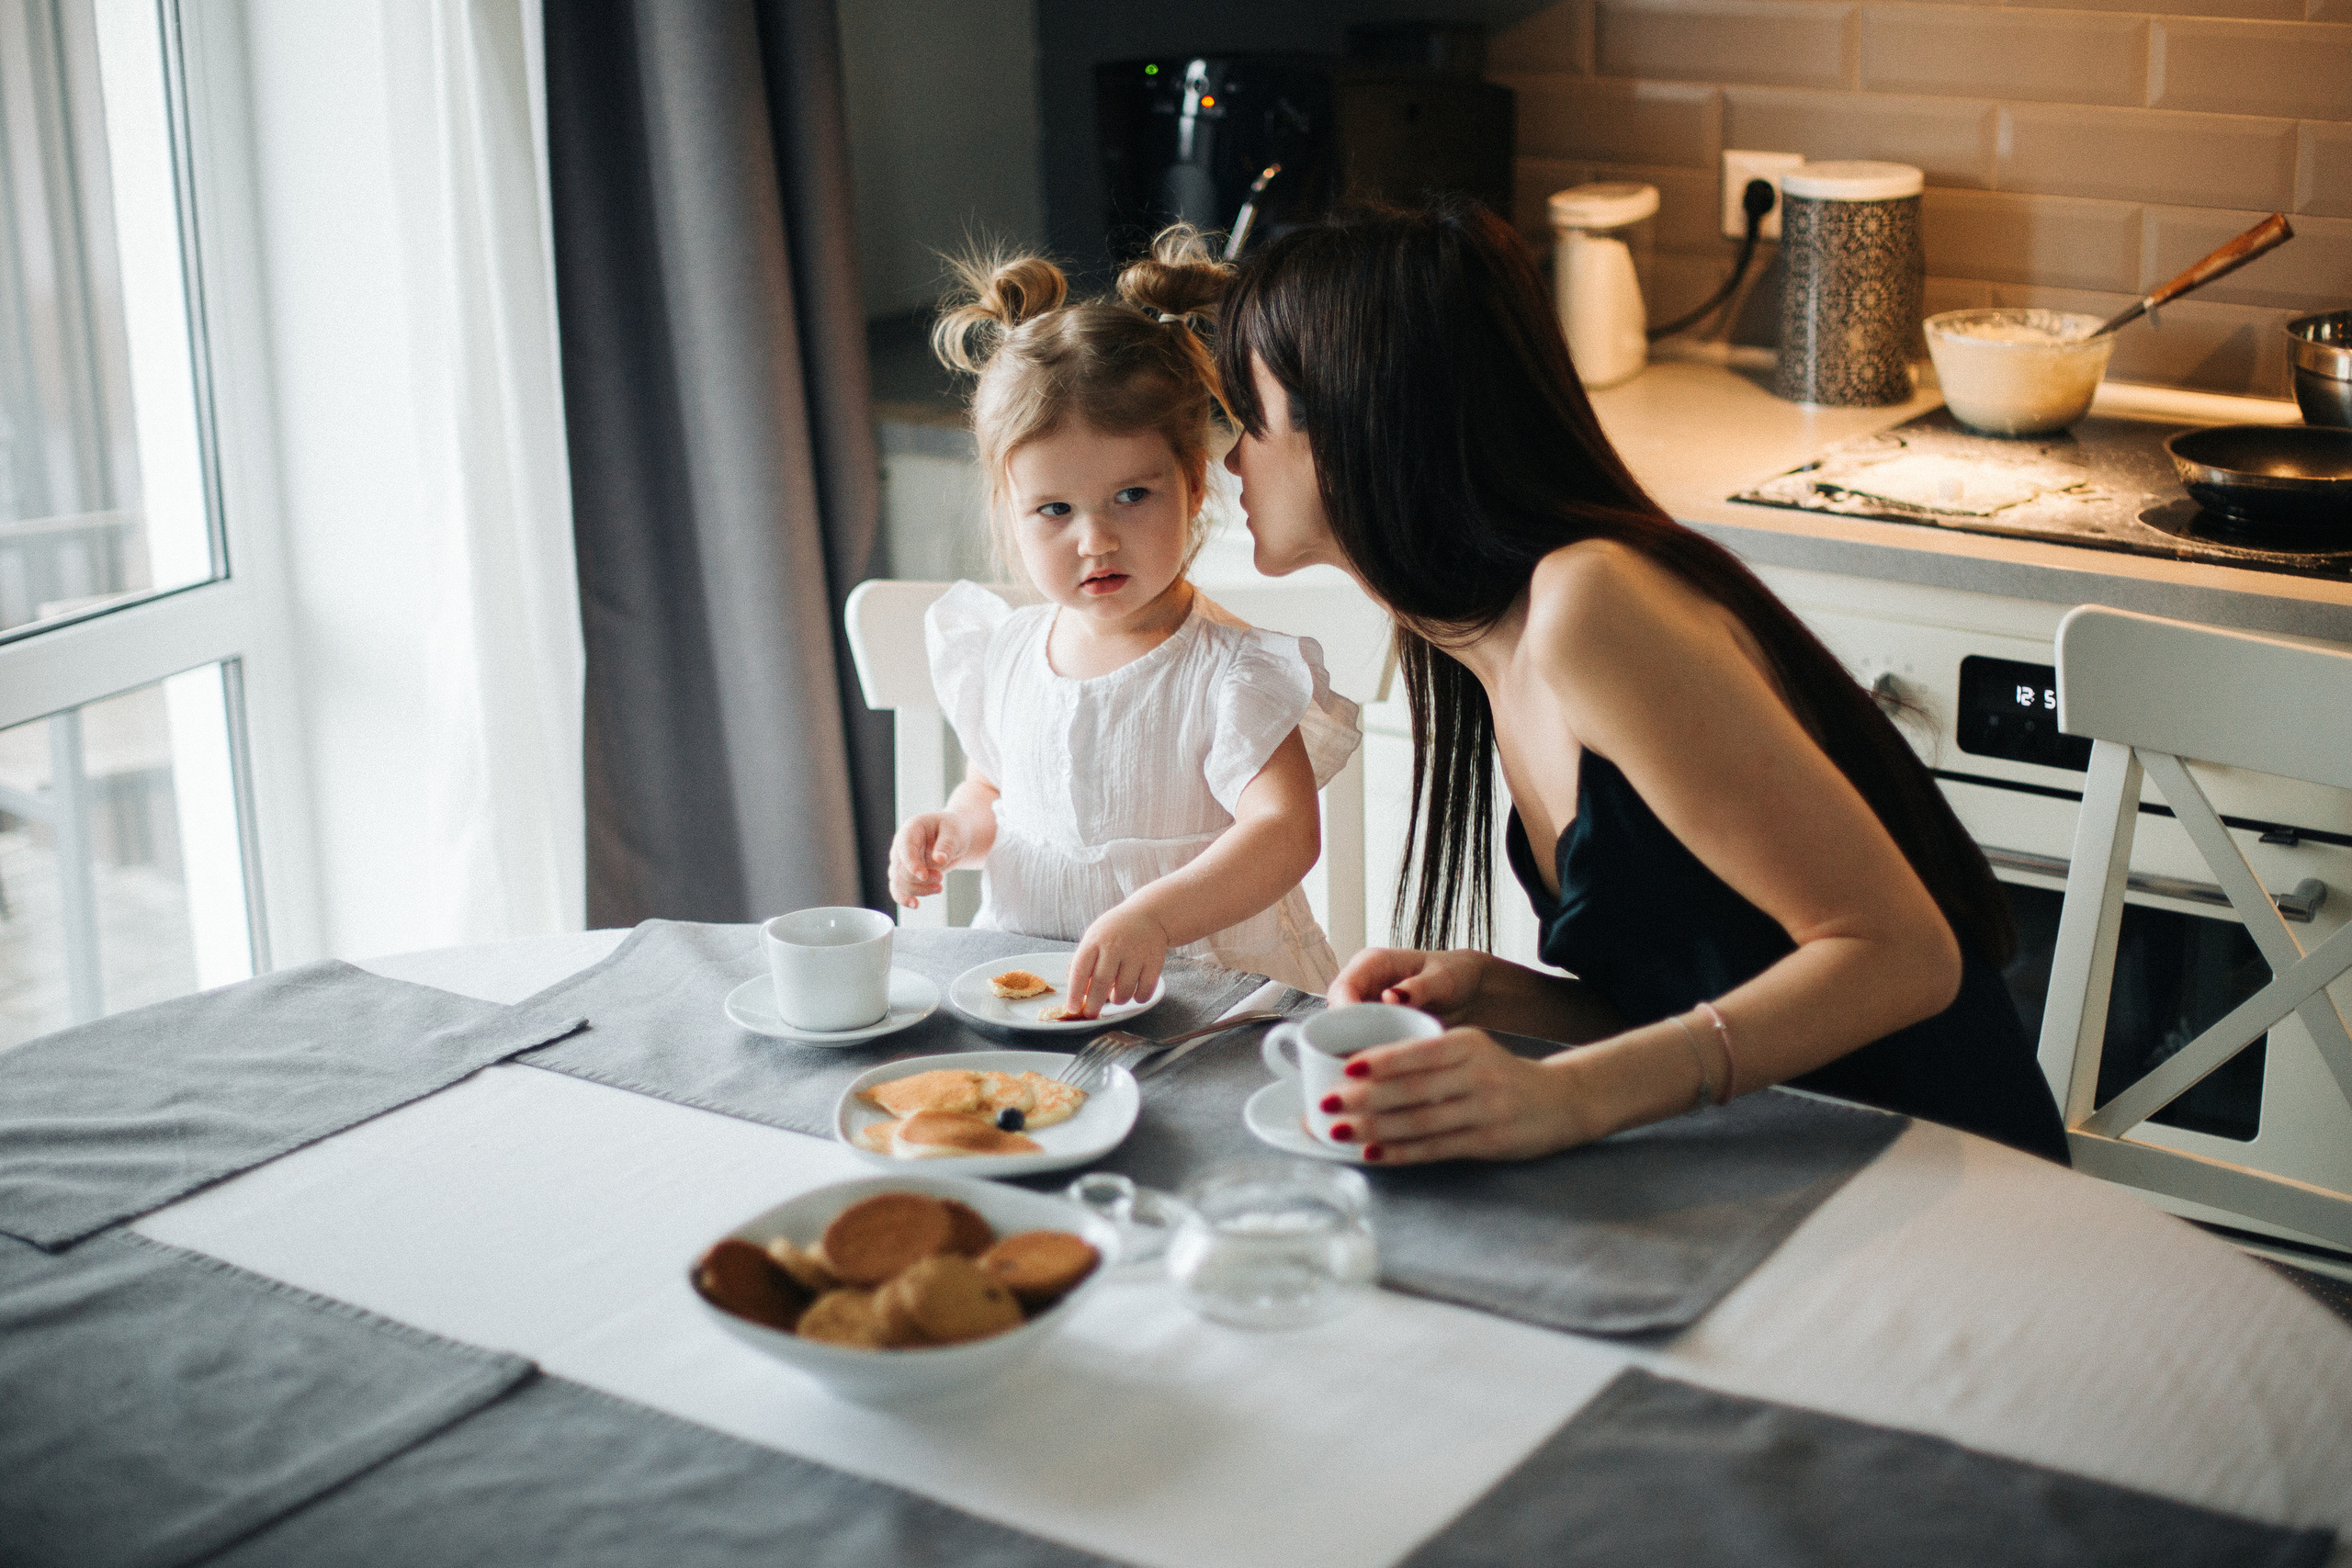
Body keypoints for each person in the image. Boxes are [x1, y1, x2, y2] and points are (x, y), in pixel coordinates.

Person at [1216, 199, 2068, 1166]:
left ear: (1360, 419)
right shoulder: (1486, 650)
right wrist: (1497, 996)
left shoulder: (1590, 605)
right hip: (1775, 1152)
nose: (1229, 455)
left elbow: (1902, 958)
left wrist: (1565, 1097)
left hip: (1930, 1178)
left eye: (1249, 417)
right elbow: (1706, 1005)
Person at [888, 230, 1360, 1010]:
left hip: (1206, 1004)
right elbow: (994, 785)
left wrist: (1155, 916)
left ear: (1195, 483)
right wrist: (955, 829)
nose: (1095, 538)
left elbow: (1285, 830)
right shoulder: (1004, 654)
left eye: (1132, 496)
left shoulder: (1228, 673)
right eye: (1055, 510)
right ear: (1009, 513)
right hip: (1038, 994)